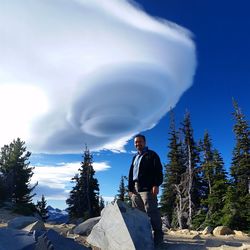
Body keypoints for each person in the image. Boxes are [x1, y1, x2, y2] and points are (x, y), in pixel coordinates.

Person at [128, 134, 164, 246]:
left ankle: (158, 238)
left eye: (140, 142)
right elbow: (131, 174)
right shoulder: (135, 157)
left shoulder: (152, 155)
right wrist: (130, 188)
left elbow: (158, 170)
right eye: (136, 142)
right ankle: (142, 237)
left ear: (145, 142)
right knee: (137, 214)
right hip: (135, 189)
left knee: (152, 212)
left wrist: (156, 184)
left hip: (148, 188)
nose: (138, 144)